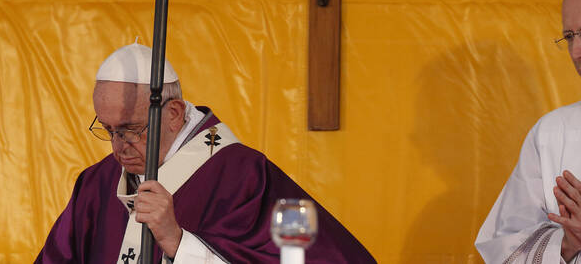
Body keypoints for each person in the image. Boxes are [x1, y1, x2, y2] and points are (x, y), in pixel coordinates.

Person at [36, 41, 375, 263]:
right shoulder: (97, 183)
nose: (118, 147)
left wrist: (178, 241)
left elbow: (321, 257)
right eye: (108, 130)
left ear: (173, 114)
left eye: (130, 129)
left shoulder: (242, 174)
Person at [476, 0, 581, 263]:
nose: (577, 52)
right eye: (569, 36)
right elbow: (503, 245)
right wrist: (566, 242)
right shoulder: (552, 131)